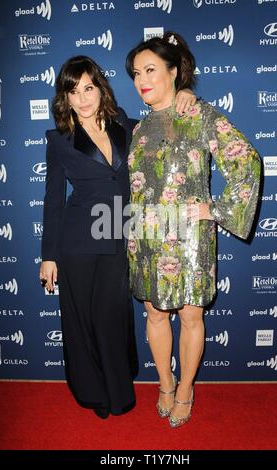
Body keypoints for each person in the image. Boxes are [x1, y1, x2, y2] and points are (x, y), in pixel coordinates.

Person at [39, 55, 196, 419]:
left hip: (117, 234)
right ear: (65, 97)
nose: (83, 98)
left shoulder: (124, 123)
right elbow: (53, 200)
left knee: (110, 316)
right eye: (73, 91)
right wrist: (49, 255)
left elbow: (165, 121)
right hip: (77, 241)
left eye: (89, 88)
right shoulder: (59, 140)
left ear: (100, 89)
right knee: (82, 320)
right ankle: (93, 393)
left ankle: (118, 391)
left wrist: (185, 92)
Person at [125, 32, 261, 427]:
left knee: (189, 315)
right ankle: (164, 383)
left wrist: (213, 209)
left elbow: (246, 161)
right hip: (147, 236)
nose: (142, 79)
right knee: (153, 313)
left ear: (174, 71)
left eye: (151, 69)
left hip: (188, 239)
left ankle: (186, 388)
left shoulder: (200, 115)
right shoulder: (138, 129)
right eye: (136, 73)